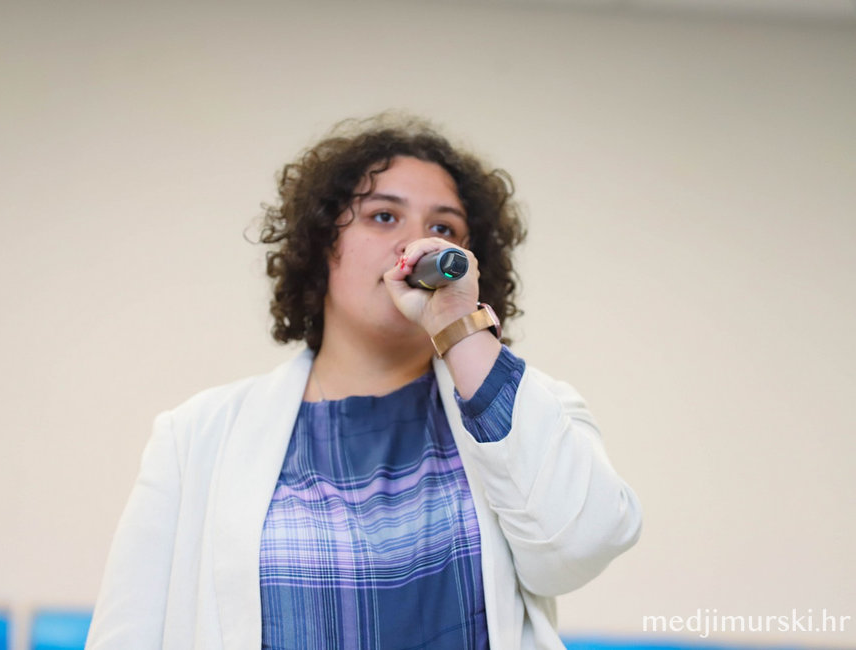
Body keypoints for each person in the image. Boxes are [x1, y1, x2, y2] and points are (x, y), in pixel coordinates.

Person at [85, 114, 642, 650]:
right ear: (321, 244)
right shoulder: (195, 436)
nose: (416, 245)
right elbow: (127, 635)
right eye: (383, 216)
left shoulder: (522, 405)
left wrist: (460, 326)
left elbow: (581, 545)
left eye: (443, 228)